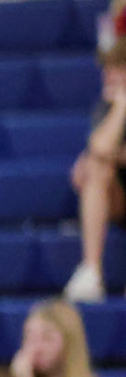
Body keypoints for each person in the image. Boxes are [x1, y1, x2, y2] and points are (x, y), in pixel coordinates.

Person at [63, 46, 126, 302]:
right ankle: (92, 270)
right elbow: (100, 148)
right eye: (106, 70)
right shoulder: (109, 105)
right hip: (119, 197)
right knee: (95, 169)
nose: (108, 77)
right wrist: (122, 107)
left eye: (116, 69)